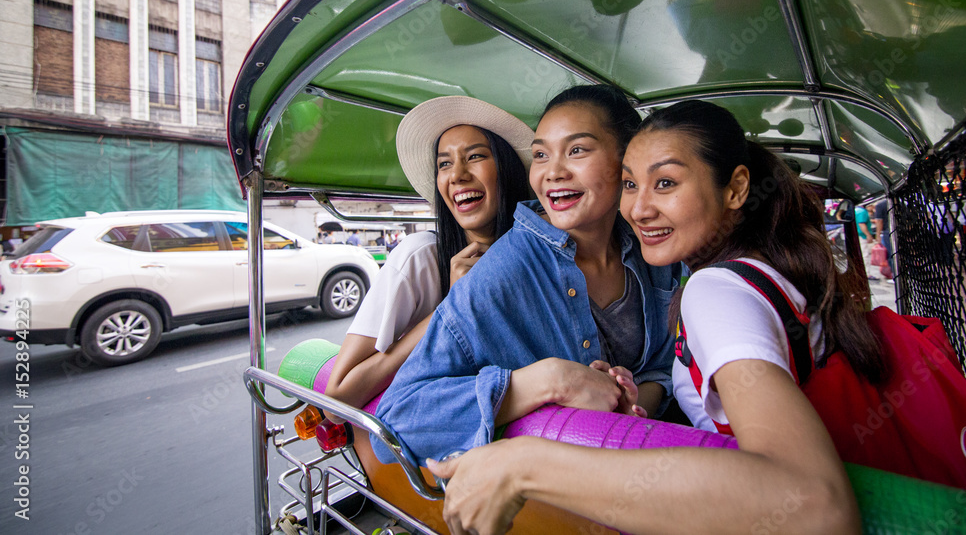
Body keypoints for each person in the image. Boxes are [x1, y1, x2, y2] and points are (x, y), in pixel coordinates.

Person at [427, 100, 880, 535]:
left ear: (737, 188)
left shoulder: (712, 290)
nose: (639, 209)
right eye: (631, 184)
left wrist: (524, 466)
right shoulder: (762, 266)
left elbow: (814, 506)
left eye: (665, 183)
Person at [373, 85, 685, 466]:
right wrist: (550, 381)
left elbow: (662, 364)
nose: (553, 172)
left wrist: (632, 403)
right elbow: (397, 420)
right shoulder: (500, 274)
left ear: (627, 162)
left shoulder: (653, 251)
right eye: (540, 155)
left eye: (577, 150)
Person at [322, 96, 533, 411]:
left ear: (508, 169)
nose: (457, 174)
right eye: (444, 163)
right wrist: (451, 307)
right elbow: (337, 399)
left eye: (475, 156)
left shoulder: (538, 258)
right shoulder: (419, 258)